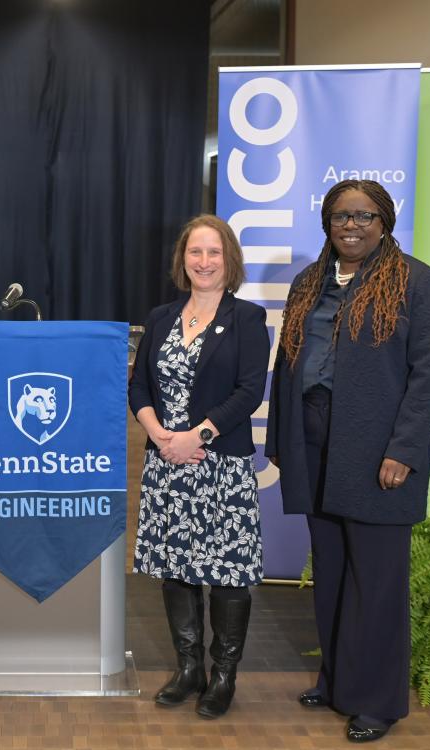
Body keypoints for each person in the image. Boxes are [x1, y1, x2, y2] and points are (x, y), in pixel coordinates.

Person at [266, 179, 430, 743]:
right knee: (333, 570)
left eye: (363, 215)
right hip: (316, 445)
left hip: (377, 453)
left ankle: (376, 700)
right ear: (327, 222)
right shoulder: (308, 282)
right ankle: (338, 677)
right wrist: (282, 441)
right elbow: (289, 364)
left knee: (377, 578)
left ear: (384, 221)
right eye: (340, 216)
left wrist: (404, 450)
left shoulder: (417, 282)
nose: (351, 225)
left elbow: (429, 374)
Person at [129, 214, 269, 719]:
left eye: (214, 253)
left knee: (228, 575)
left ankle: (223, 675)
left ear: (229, 259)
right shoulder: (162, 316)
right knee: (176, 569)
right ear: (182, 260)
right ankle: (189, 669)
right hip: (167, 463)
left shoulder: (248, 319)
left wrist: (196, 435)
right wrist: (159, 433)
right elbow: (140, 386)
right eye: (195, 252)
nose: (204, 262)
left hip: (220, 465)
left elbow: (250, 391)